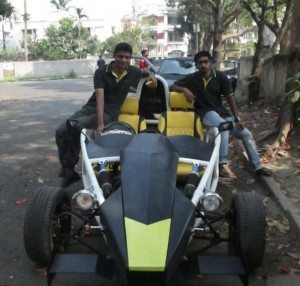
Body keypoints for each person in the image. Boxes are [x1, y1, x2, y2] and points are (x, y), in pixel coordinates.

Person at [56, 42, 157, 188]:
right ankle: (69, 169)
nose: (123, 60)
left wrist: (151, 75)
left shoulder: (133, 71)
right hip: (92, 107)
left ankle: (69, 167)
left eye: (127, 57)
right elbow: (99, 98)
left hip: (110, 113)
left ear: (130, 59)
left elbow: (144, 71)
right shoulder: (101, 72)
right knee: (62, 129)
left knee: (76, 126)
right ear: (114, 56)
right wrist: (100, 124)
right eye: (120, 56)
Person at [170, 50, 272, 177]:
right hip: (205, 112)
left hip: (221, 112)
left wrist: (237, 118)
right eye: (200, 63)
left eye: (206, 62)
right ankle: (221, 163)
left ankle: (257, 167)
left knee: (246, 134)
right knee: (223, 126)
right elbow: (172, 87)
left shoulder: (221, 77)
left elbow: (230, 98)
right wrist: (184, 89)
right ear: (196, 65)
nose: (203, 65)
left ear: (211, 63)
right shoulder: (192, 78)